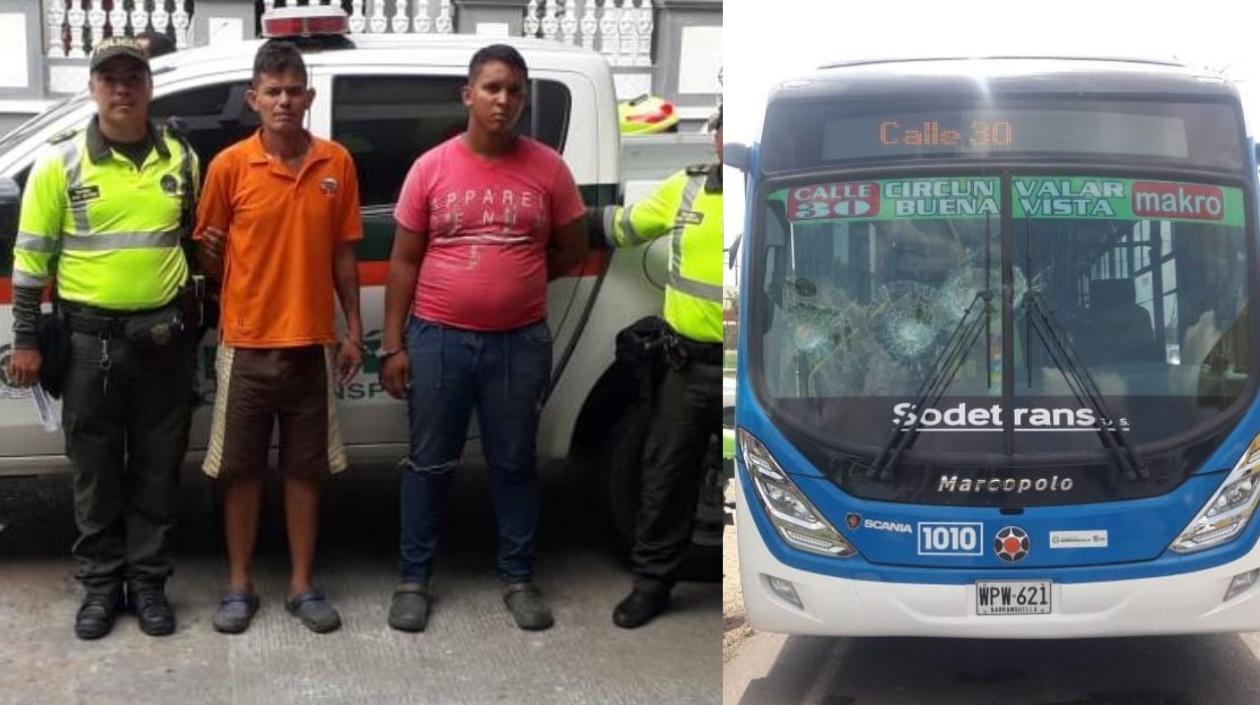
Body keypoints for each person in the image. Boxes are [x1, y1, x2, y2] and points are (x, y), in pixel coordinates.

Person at [380, 43, 587, 633]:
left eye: (515, 91)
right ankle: (413, 579)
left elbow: (570, 248)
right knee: (428, 464)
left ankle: (518, 577)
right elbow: (403, 263)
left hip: (518, 343)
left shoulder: (548, 168)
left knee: (515, 463)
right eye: (493, 88)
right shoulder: (432, 167)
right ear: (468, 95)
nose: (504, 100)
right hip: (438, 340)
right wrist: (394, 347)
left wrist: (514, 282)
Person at [6, 36, 200, 639]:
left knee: (157, 472)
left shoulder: (182, 159)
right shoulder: (59, 164)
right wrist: (28, 340)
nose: (122, 88)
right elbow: (31, 262)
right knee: (94, 474)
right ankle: (99, 588)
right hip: (90, 345)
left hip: (164, 342)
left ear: (148, 86)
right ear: (92, 87)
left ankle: (147, 586)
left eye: (132, 77)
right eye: (109, 77)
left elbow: (197, 244)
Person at [194, 40, 363, 635]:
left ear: (308, 97)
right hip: (244, 344)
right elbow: (212, 262)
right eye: (273, 91)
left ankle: (301, 585)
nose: (284, 101)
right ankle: (238, 585)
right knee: (239, 471)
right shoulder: (228, 167)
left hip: (313, 343)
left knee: (304, 471)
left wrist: (353, 331)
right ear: (254, 99)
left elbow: (345, 257)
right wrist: (211, 258)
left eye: (294, 90)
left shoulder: (336, 163)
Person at [587, 106, 724, 628]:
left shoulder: (771, 189)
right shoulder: (685, 189)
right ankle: (651, 586)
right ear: (714, 138)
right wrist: (559, 214)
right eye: (722, 128)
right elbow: (624, 227)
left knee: (762, 484)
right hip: (687, 369)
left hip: (754, 374)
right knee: (666, 480)